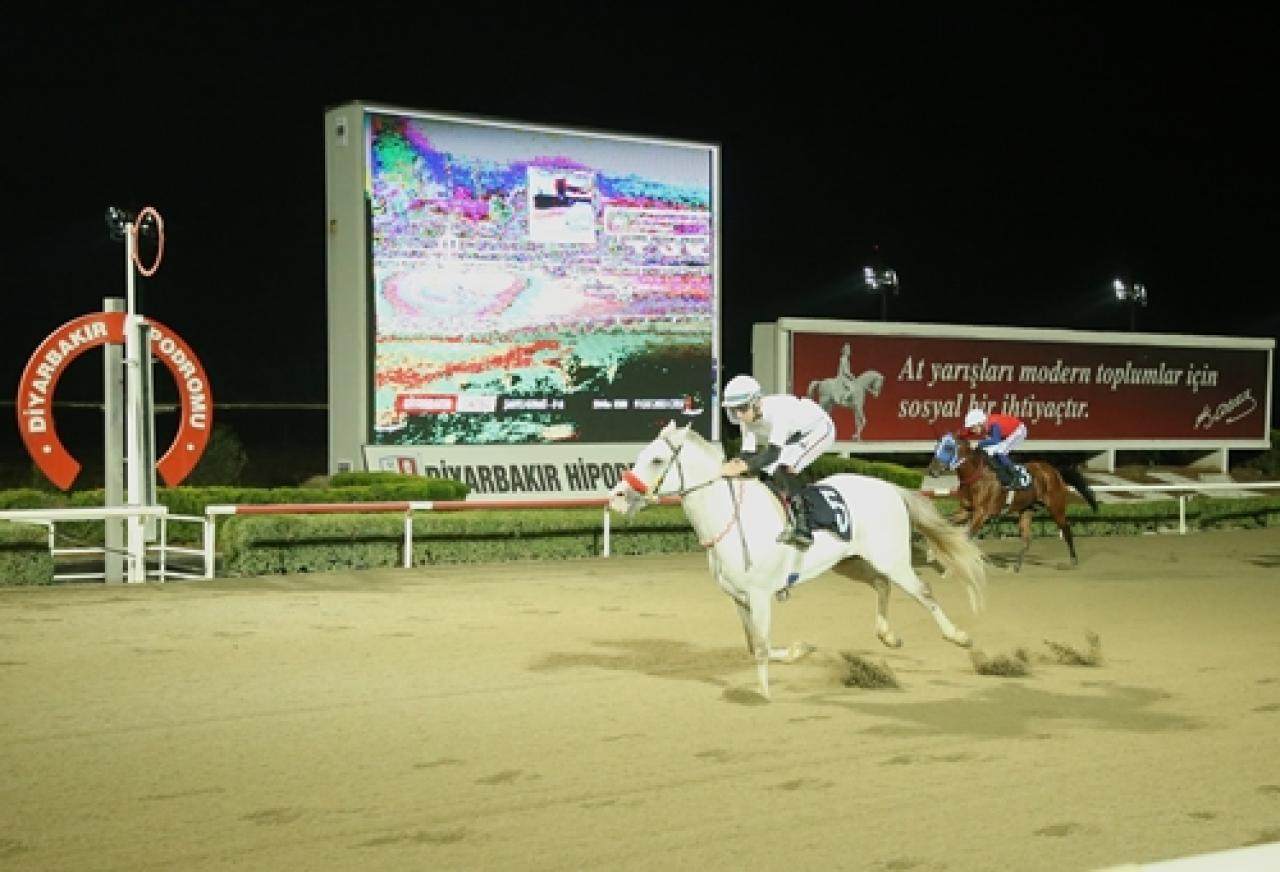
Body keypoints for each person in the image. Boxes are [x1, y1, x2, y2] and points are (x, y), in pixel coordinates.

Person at [720, 374, 836, 547]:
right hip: (795, 436)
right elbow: (747, 454)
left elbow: (773, 454)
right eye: (733, 410)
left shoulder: (779, 411)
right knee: (765, 475)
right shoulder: (746, 420)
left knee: (784, 467)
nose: (739, 415)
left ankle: (804, 528)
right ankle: (779, 518)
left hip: (819, 429)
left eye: (742, 408)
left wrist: (743, 466)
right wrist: (735, 464)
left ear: (756, 402)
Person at [963, 407, 1027, 486]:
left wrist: (978, 443)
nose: (973, 431)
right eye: (971, 428)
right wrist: (958, 436)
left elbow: (995, 440)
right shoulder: (982, 424)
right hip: (1005, 433)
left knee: (1000, 452)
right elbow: (967, 433)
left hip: (1018, 431)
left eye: (973, 428)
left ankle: (1017, 475)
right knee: (989, 451)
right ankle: (1001, 472)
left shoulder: (993, 424)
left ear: (980, 423)